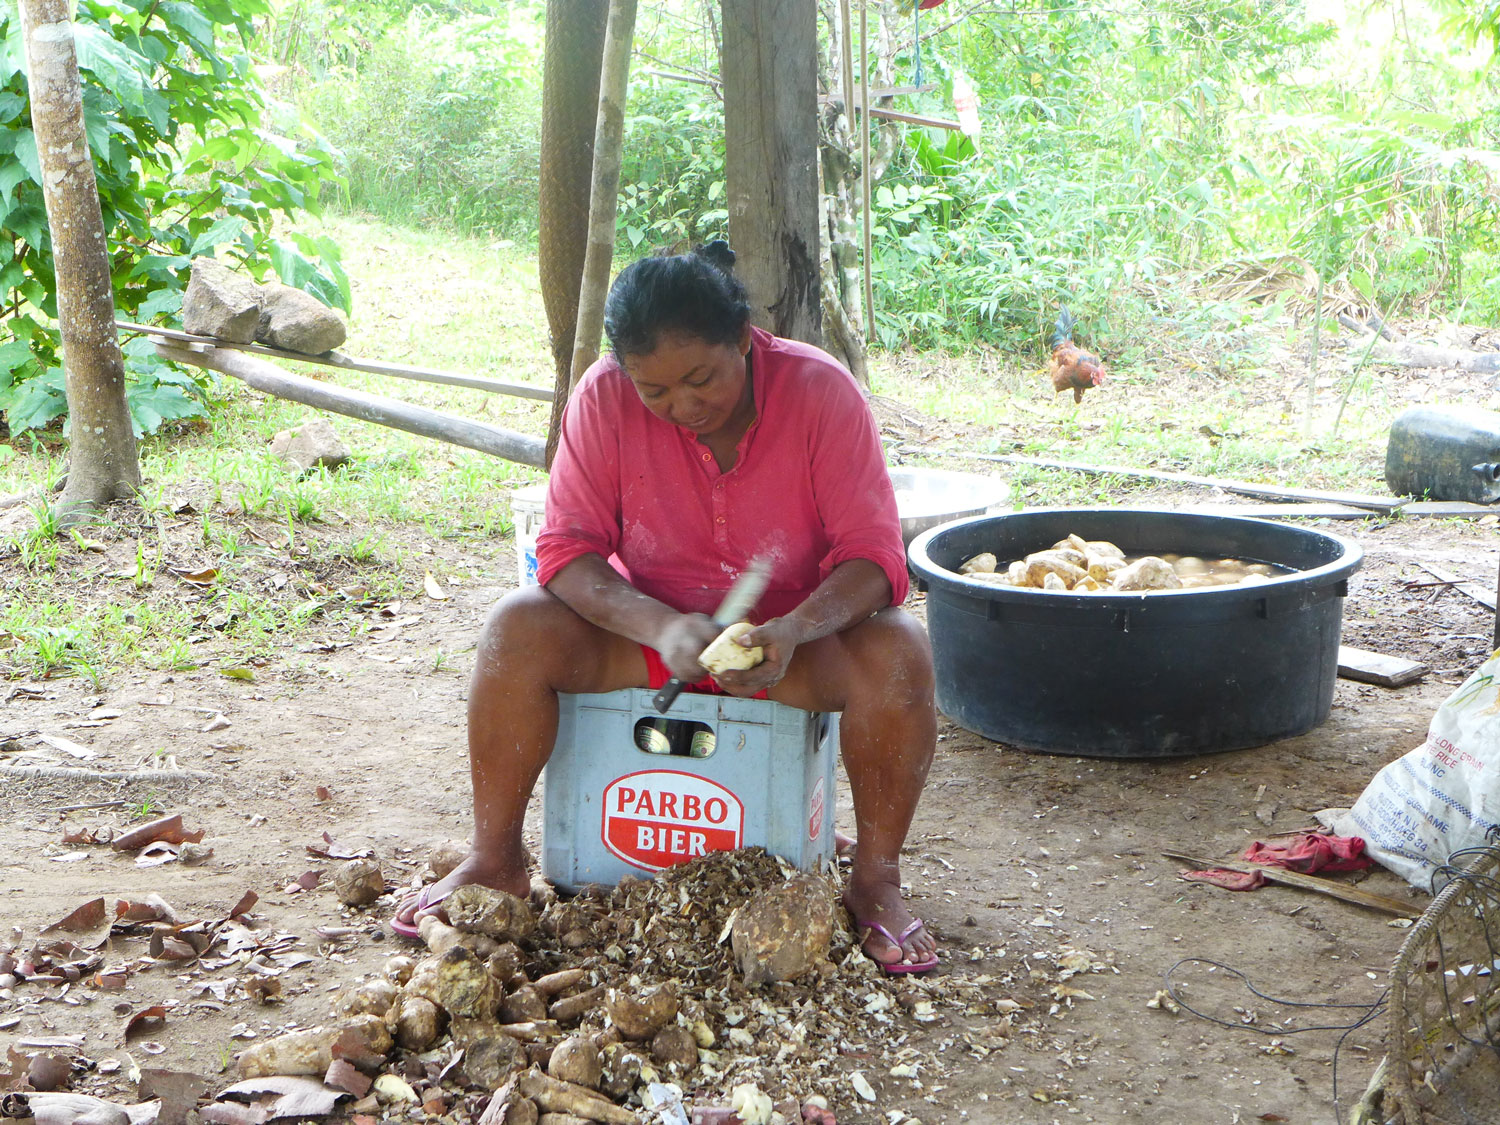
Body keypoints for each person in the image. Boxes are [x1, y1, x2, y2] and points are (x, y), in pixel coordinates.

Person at [394, 242, 939, 972]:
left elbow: (876, 561)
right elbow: (565, 550)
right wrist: (659, 624)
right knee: (515, 628)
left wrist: (792, 627)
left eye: (701, 377)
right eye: (654, 391)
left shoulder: (821, 393)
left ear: (743, 340)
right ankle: (496, 860)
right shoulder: (601, 397)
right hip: (649, 636)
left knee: (899, 651)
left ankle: (875, 882)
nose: (682, 406)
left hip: (790, 648)